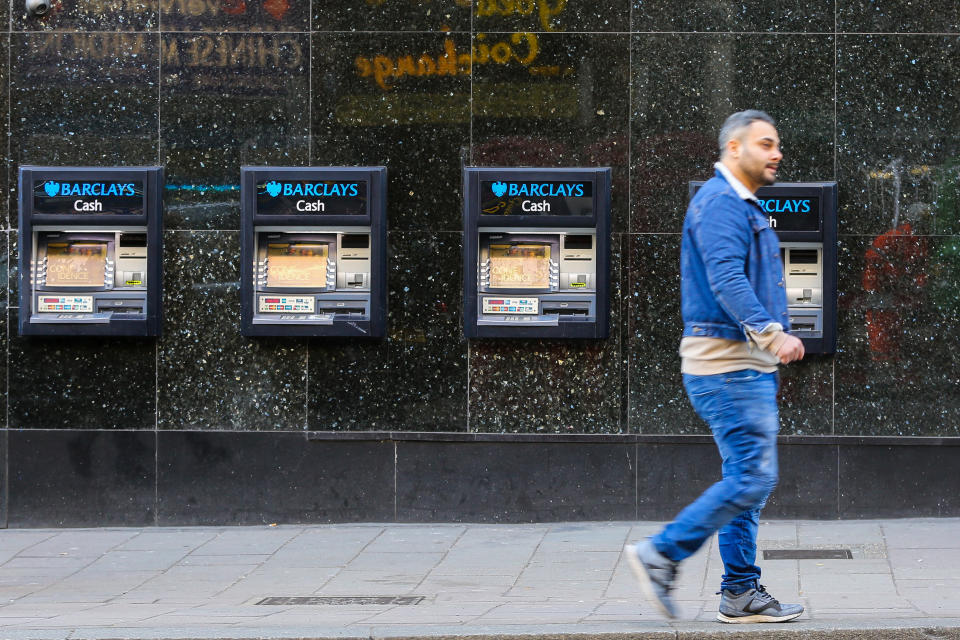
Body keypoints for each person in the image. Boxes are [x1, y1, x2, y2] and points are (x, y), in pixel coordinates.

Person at [625, 110, 805, 624]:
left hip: (743, 366)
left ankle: (741, 592)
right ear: (733, 148)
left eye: (778, 145)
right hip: (727, 367)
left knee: (748, 480)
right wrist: (771, 332)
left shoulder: (740, 203)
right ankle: (661, 552)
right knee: (751, 478)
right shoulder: (722, 201)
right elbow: (726, 276)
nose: (776, 154)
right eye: (766, 144)